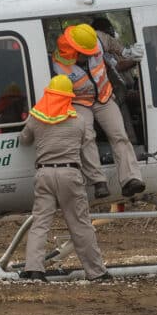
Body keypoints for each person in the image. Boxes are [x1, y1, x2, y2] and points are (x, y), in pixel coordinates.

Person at [19, 75, 112, 282]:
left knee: (40, 223)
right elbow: (88, 152)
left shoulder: (36, 118)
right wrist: (98, 179)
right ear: (69, 97)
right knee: (80, 224)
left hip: (43, 174)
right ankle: (96, 272)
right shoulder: (78, 121)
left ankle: (34, 269)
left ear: (49, 93)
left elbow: (24, 140)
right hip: (70, 174)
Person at [51, 23, 145, 199]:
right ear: (74, 51)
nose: (91, 54)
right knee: (86, 136)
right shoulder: (59, 64)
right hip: (79, 102)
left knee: (119, 135)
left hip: (104, 97)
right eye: (85, 54)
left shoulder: (96, 41)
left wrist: (126, 52)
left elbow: (110, 41)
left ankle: (131, 179)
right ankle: (98, 181)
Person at [91, 16, 142, 144]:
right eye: (107, 30)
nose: (111, 32)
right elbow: (117, 66)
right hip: (112, 94)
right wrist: (136, 59)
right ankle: (132, 143)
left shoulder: (107, 46)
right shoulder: (99, 49)